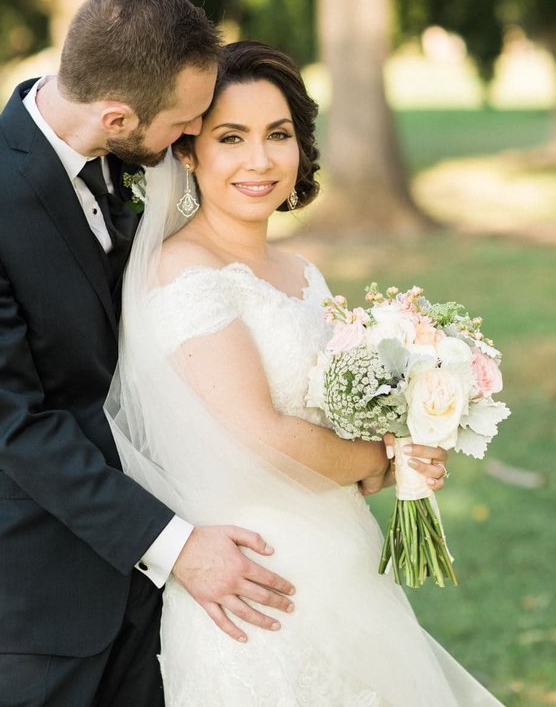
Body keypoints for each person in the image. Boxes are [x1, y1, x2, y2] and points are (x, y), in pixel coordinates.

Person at [0, 0, 407, 705]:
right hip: (39, 585)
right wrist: (173, 545)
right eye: (186, 124)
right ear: (118, 116)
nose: (191, 139)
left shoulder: (142, 155)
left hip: (184, 592)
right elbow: (9, 418)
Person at [107, 41, 500, 705]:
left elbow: (330, 433)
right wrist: (379, 455)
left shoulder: (300, 275)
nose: (260, 160)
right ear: (187, 150)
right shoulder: (184, 275)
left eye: (278, 135)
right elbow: (261, 438)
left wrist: (406, 451)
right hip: (259, 591)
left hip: (346, 569)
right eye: (231, 138)